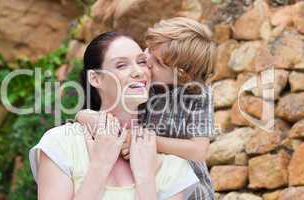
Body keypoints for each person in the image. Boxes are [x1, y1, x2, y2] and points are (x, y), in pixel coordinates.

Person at [29, 32, 199, 200]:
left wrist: (145, 177)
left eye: (141, 62)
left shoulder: (171, 166)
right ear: (95, 79)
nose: (139, 72)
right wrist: (100, 165)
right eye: (121, 65)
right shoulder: (62, 144)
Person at [77, 17, 217, 200]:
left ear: (182, 75)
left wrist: (140, 140)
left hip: (189, 189)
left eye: (158, 62)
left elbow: (198, 150)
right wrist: (84, 116)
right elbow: (107, 108)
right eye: (149, 50)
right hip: (144, 176)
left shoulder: (197, 93)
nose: (147, 61)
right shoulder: (142, 84)